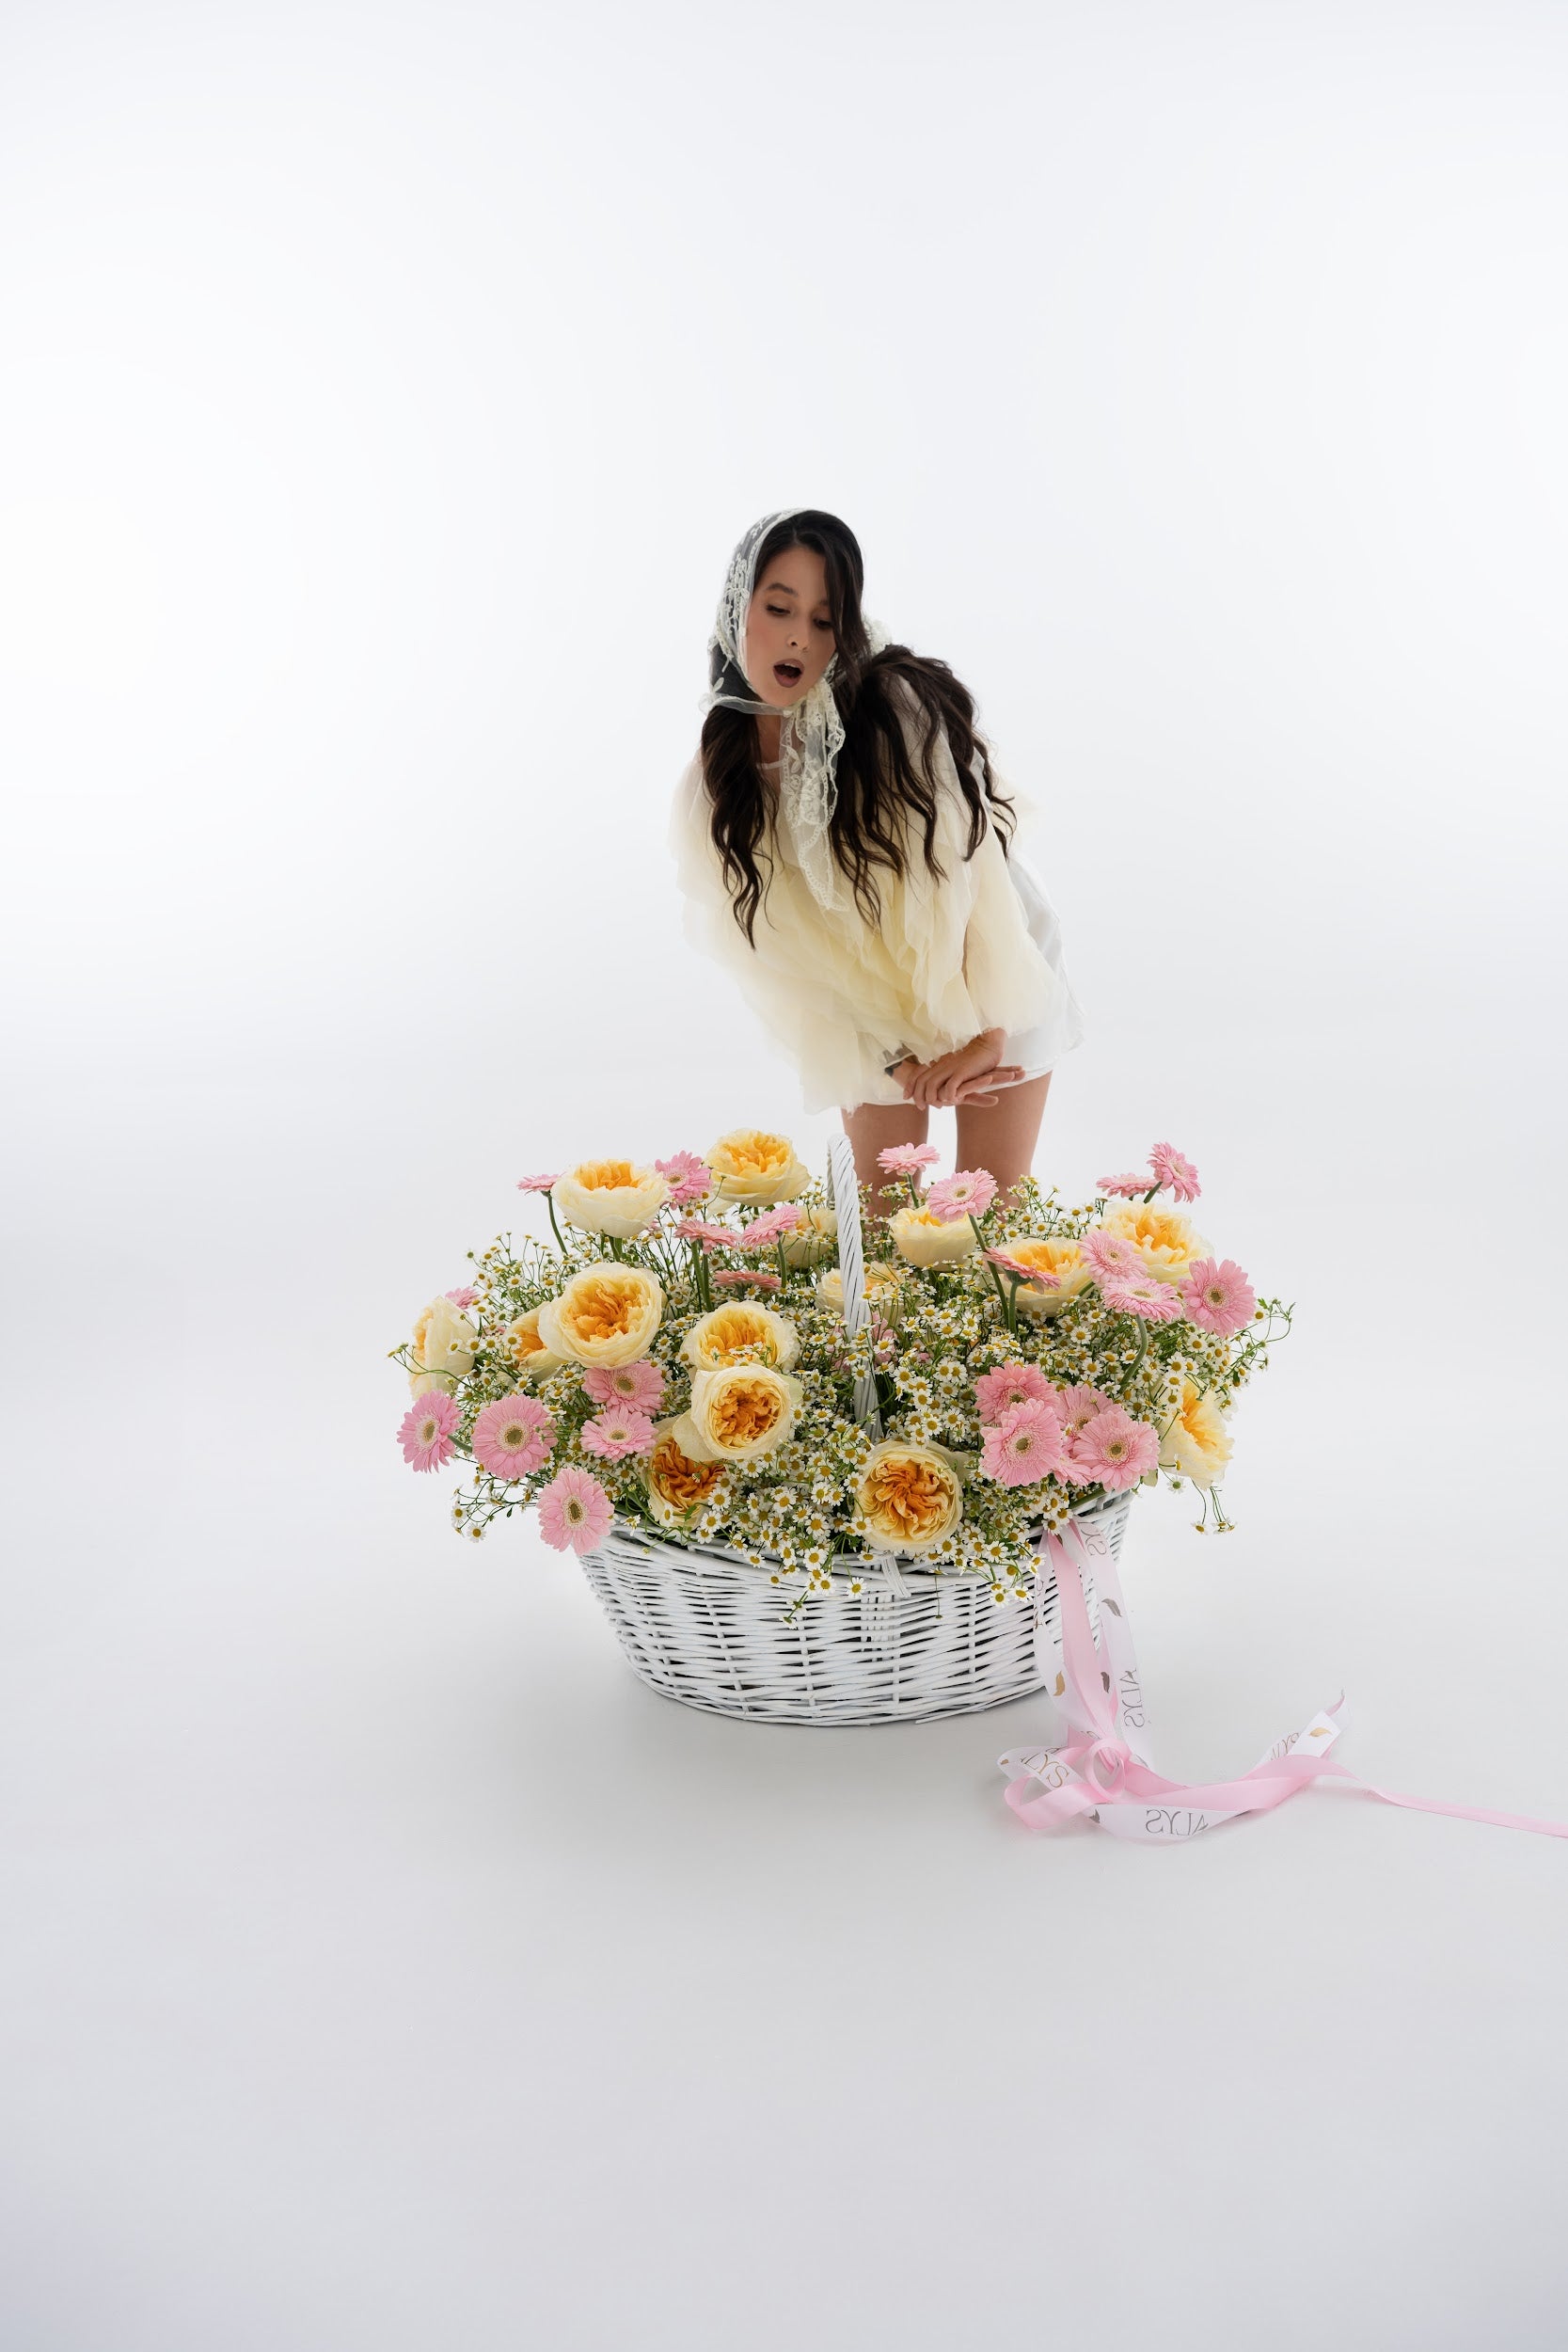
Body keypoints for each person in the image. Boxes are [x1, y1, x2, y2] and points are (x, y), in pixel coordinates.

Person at [667, 508, 1085, 1218]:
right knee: (886, 1222)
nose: (799, 635)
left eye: (826, 621)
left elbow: (975, 890)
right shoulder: (718, 781)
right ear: (737, 610)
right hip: (865, 1004)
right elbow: (791, 959)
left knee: (988, 1221)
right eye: (778, 608)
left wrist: (985, 1037)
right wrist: (899, 1061)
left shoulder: (894, 711)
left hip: (993, 967)